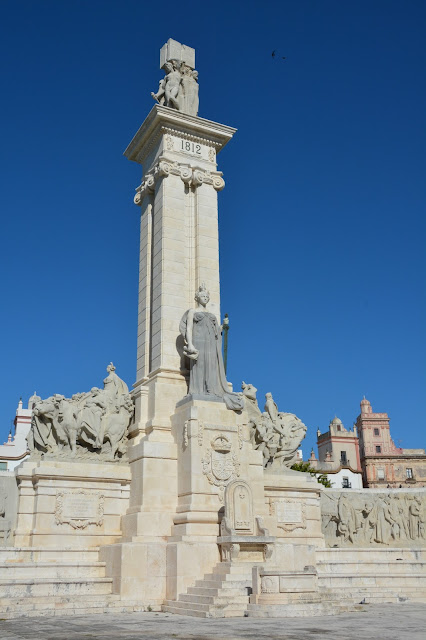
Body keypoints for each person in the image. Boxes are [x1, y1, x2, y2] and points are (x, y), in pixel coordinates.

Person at [180, 283, 244, 411]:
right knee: (199, 364)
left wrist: (223, 327)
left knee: (211, 365)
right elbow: (189, 328)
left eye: (206, 296)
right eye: (202, 296)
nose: (204, 298)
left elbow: (216, 332)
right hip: (198, 340)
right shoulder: (193, 311)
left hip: (210, 342)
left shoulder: (211, 313)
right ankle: (197, 389)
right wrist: (190, 344)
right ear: (197, 298)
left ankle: (211, 389)